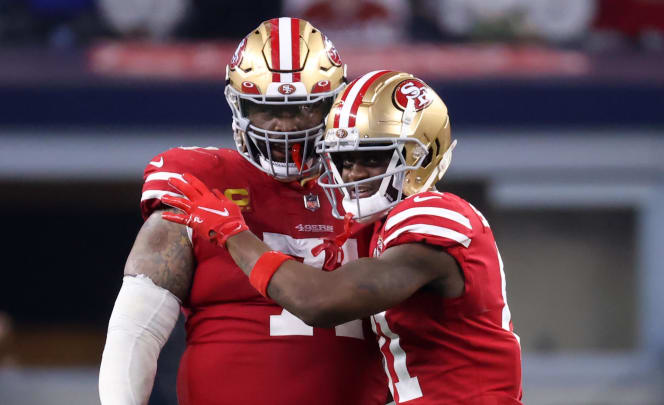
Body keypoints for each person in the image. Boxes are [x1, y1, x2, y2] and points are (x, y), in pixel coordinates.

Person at [162, 71, 523, 404]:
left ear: (422, 153)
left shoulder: (436, 213)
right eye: (344, 158)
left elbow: (319, 302)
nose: (354, 172)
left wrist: (232, 232)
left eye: (372, 157)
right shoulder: (381, 229)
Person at [98, 18, 388, 405]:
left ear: (336, 103)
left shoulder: (377, 192)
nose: (285, 126)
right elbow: (136, 329)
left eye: (304, 107)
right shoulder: (199, 182)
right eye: (266, 108)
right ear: (238, 105)